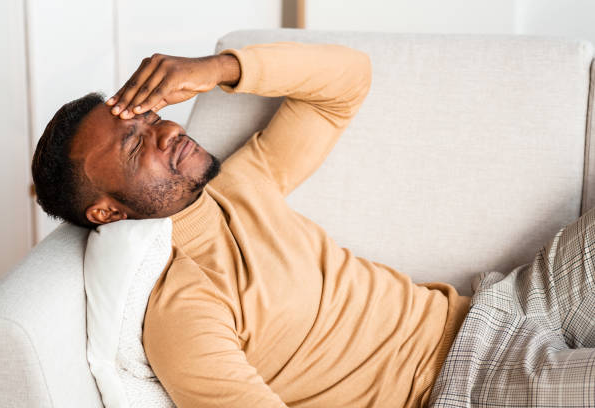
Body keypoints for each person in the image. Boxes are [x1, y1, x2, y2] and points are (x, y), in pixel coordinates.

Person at [30, 42, 594, 407]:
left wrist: (217, 68)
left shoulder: (242, 183)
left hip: (505, 305)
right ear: (107, 212)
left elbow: (348, 82)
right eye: (135, 145)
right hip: (465, 385)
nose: (166, 131)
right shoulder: (183, 312)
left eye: (151, 116)